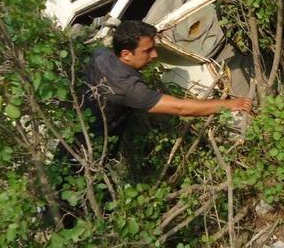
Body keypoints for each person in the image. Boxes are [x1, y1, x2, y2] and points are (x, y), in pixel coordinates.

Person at [81, 19, 252, 156]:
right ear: (126, 54)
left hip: (77, 133)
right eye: (147, 51)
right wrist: (231, 104)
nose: (154, 55)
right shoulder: (129, 89)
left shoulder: (100, 54)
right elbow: (181, 107)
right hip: (92, 154)